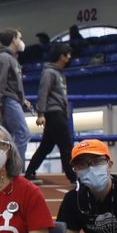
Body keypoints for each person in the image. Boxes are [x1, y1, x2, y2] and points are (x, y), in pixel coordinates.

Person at [25, 43, 76, 184]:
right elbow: (43, 93)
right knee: (66, 147)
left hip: (57, 112)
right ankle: (73, 177)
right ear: (61, 56)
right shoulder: (49, 73)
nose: (70, 57)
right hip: (54, 113)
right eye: (68, 54)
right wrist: (40, 113)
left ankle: (29, 172)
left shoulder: (59, 72)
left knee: (46, 147)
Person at [0, 28, 34, 165]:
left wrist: (22, 100)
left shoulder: (10, 58)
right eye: (19, 38)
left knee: (7, 137)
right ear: (14, 39)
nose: (21, 41)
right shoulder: (4, 58)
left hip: (11, 100)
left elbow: (11, 83)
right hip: (8, 101)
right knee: (23, 133)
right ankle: (15, 169)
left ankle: (4, 167)